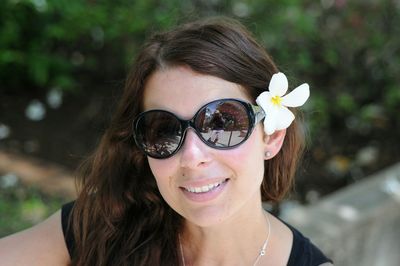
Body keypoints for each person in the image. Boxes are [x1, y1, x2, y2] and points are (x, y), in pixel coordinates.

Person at [0, 17, 333, 265]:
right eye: (163, 130)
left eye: (222, 123)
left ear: (271, 135)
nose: (191, 156)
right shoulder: (104, 228)